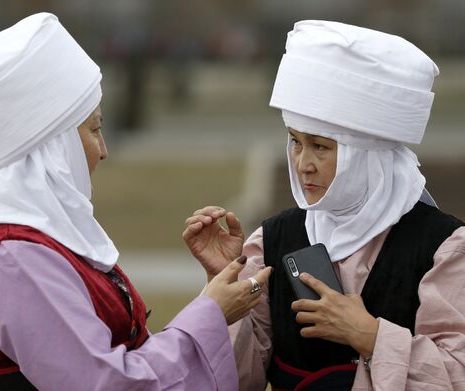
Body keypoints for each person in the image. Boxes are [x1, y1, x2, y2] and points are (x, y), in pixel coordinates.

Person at [0, 13, 272, 391]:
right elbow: (104, 383)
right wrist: (211, 312)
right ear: (53, 140)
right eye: (94, 129)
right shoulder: (15, 257)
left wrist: (213, 293)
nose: (103, 151)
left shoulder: (38, 240)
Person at [183, 20, 465, 390]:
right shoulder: (272, 240)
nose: (303, 163)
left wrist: (371, 336)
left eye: (321, 146)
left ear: (367, 155)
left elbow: (456, 373)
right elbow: (236, 380)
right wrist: (226, 285)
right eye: (295, 142)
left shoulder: (443, 248)